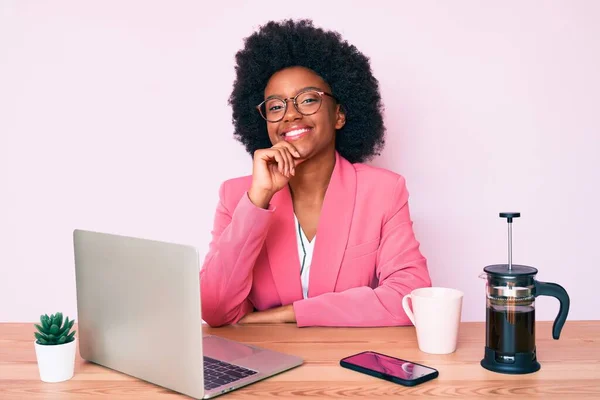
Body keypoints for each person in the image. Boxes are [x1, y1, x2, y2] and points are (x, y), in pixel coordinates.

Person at [200, 19, 431, 327]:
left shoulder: (383, 192)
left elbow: (411, 298)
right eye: (275, 106)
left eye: (308, 99)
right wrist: (258, 200)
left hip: (346, 364)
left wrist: (289, 314)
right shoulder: (237, 197)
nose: (291, 114)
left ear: (339, 114)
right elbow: (214, 310)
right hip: (265, 366)